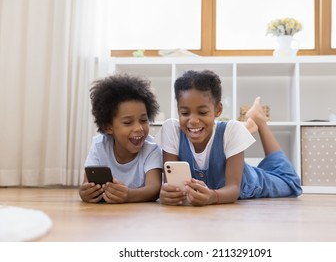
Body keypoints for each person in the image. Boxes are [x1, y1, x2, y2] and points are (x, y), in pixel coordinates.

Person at [155, 70, 302, 206]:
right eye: (185, 113)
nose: (193, 120)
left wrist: (213, 196)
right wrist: (168, 193)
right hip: (229, 148)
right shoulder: (172, 130)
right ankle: (246, 130)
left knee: (291, 183)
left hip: (247, 181)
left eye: (202, 112)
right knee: (233, 135)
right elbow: (170, 185)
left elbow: (233, 189)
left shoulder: (231, 129)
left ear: (218, 110)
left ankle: (260, 122)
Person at [79, 74, 163, 204]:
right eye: (128, 122)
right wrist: (85, 193)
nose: (139, 128)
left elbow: (154, 189)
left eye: (143, 120)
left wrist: (128, 195)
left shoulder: (151, 150)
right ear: (108, 127)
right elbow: (87, 183)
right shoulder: (99, 146)